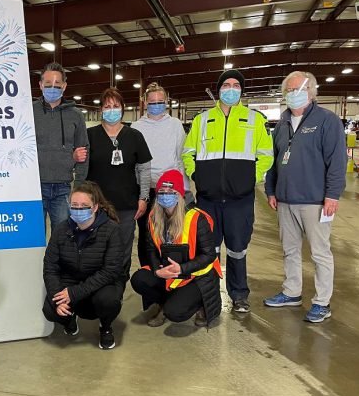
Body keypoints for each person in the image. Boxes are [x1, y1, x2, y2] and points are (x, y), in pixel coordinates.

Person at [182, 69, 274, 314]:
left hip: (239, 200)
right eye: (226, 85)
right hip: (208, 199)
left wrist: (250, 179)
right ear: (219, 89)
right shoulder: (202, 120)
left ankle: (239, 294)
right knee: (207, 249)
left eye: (236, 85)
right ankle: (206, 295)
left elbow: (266, 156)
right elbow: (188, 153)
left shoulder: (254, 120)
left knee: (237, 248)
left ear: (241, 91)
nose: (231, 89)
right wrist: (195, 176)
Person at [263, 71, 347, 323]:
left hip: (315, 201)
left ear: (310, 92)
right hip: (285, 200)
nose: (291, 94)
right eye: (288, 90)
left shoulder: (327, 120)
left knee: (320, 253)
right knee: (289, 250)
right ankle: (292, 292)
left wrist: (332, 195)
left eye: (296, 89)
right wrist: (270, 189)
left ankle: (322, 302)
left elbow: (337, 161)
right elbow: (274, 161)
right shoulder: (282, 123)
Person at [130, 170, 222, 327]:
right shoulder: (153, 217)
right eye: (162, 192)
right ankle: (163, 304)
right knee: (139, 279)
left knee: (175, 313)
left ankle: (201, 304)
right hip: (169, 273)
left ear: (180, 194)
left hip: (195, 275)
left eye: (171, 192)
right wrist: (156, 270)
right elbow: (150, 249)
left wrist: (182, 268)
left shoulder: (197, 218)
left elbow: (209, 255)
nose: (166, 195)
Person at [42, 181, 124, 350]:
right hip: (70, 282)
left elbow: (111, 271)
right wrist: (57, 298)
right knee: (50, 310)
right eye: (75, 205)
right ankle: (69, 318)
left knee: (109, 301)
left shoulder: (111, 230)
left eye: (84, 206)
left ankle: (106, 326)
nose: (78, 210)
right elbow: (50, 267)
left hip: (100, 286)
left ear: (95, 207)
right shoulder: (60, 230)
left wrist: (74, 293)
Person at [86, 87, 152, 275]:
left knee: (122, 251)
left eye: (116, 106)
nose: (111, 110)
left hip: (126, 206)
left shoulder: (134, 136)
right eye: (107, 106)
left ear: (123, 109)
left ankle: (117, 290)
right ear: (101, 110)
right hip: (97, 207)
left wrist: (143, 198)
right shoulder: (90, 136)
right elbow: (81, 171)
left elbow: (144, 169)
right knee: (97, 249)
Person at [132, 82, 191, 267]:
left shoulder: (174, 125)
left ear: (166, 102)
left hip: (171, 190)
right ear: (145, 103)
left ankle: (171, 270)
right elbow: (134, 162)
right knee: (147, 233)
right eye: (152, 101)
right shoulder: (136, 126)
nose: (156, 104)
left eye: (160, 101)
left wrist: (184, 189)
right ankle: (148, 269)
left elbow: (181, 156)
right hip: (146, 188)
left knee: (172, 233)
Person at [33, 62, 89, 229]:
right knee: (36, 236)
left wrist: (78, 187)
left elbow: (84, 153)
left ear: (64, 86)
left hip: (64, 188)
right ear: (40, 85)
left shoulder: (76, 115)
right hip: (35, 187)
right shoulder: (29, 111)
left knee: (64, 237)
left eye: (57, 85)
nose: (52, 88)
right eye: (48, 84)